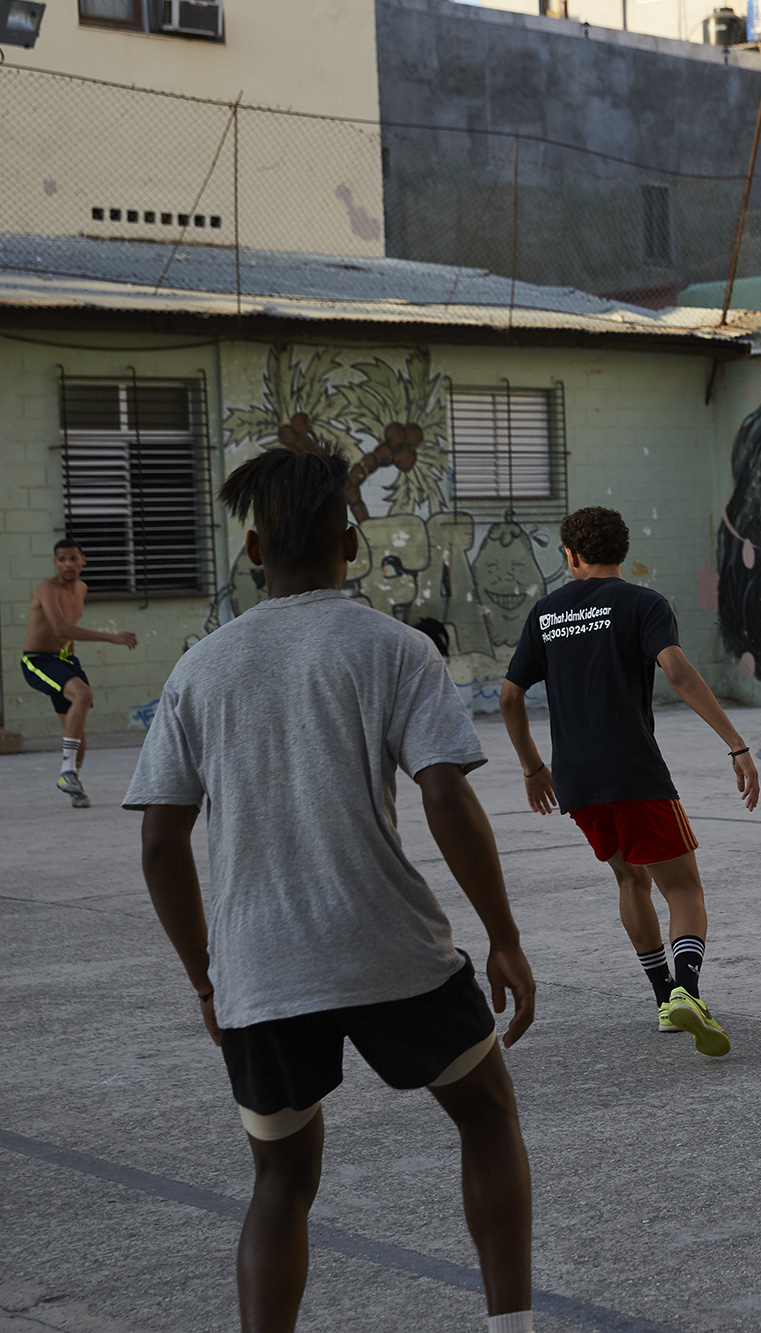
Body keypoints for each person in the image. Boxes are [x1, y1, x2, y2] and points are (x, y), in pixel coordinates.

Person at [125, 439, 538, 1333]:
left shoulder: (199, 669)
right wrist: (503, 935)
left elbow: (160, 843)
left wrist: (207, 978)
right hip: (392, 950)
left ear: (253, 550)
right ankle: (513, 1325)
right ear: (351, 544)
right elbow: (445, 796)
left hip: (259, 967)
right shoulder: (396, 649)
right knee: (485, 1113)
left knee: (281, 1178)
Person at [498, 506, 758, 1057]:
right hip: (635, 773)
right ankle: (687, 992)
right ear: (622, 550)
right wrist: (736, 743)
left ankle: (664, 1000)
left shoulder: (546, 613)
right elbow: (677, 670)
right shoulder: (643, 603)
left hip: (577, 781)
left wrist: (533, 767)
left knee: (629, 880)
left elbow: (509, 695)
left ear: (571, 555)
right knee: (683, 888)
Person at [22, 536, 138, 808]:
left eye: (73, 559)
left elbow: (69, 631)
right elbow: (61, 629)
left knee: (79, 738)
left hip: (65, 661)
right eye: (62, 560)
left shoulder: (81, 588)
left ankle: (73, 783)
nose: (68, 564)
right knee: (83, 694)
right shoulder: (46, 588)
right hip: (38, 661)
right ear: (55, 563)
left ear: (83, 560)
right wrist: (111, 637)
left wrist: (71, 664)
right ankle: (67, 772)